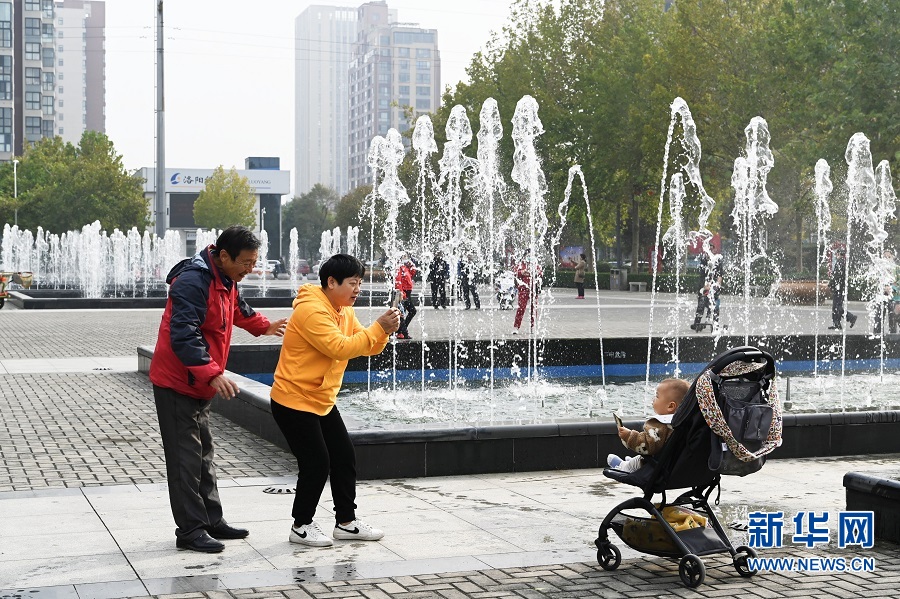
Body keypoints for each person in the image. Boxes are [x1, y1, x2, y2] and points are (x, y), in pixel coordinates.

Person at [150, 226, 288, 553]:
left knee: (203, 455)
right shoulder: (193, 282)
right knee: (186, 461)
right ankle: (190, 530)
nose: (250, 269)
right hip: (177, 383)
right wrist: (212, 373)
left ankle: (212, 520)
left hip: (198, 383)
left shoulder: (225, 279)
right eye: (246, 262)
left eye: (254, 263)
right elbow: (183, 335)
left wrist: (264, 326)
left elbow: (238, 310)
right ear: (224, 256)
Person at [270, 254, 400, 547]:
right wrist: (378, 328)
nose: (358, 290)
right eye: (353, 283)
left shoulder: (343, 310)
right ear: (331, 282)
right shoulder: (312, 311)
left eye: (360, 283)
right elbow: (339, 348)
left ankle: (346, 523)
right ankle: (301, 526)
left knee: (344, 456)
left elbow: (364, 346)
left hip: (322, 399)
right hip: (293, 399)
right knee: (316, 462)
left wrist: (383, 331)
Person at [607, 378, 690, 473]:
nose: (653, 399)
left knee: (640, 459)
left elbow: (647, 445)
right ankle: (634, 463)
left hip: (660, 468)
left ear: (670, 406)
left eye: (657, 396)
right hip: (679, 466)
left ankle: (624, 466)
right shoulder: (685, 422)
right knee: (642, 458)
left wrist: (629, 436)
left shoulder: (662, 425)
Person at [690, 251, 724, 332]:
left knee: (715, 305)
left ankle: (715, 323)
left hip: (714, 288)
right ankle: (697, 323)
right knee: (701, 305)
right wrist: (705, 287)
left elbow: (720, 275)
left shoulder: (718, 261)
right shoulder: (704, 261)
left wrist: (717, 285)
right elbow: (702, 276)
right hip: (704, 287)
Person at [512, 248, 543, 334]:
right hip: (523, 289)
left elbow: (541, 273)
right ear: (525, 255)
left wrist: (536, 272)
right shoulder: (521, 265)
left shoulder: (536, 264)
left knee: (534, 309)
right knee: (521, 308)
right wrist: (522, 272)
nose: (530, 257)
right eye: (528, 255)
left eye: (532, 255)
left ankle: (533, 327)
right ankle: (516, 327)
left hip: (533, 289)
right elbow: (515, 273)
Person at [828, 257, 857, 331]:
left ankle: (850, 317)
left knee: (837, 307)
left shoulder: (839, 262)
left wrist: (831, 284)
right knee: (836, 306)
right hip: (840, 288)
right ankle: (836, 324)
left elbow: (836, 276)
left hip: (838, 288)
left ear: (838, 254)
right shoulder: (843, 262)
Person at [394, 257, 418, 339]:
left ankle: (401, 331)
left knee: (411, 311)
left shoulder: (405, 268)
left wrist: (411, 264)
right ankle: (403, 333)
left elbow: (413, 272)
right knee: (403, 313)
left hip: (407, 293)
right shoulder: (399, 268)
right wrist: (401, 293)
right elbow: (398, 281)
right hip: (403, 293)